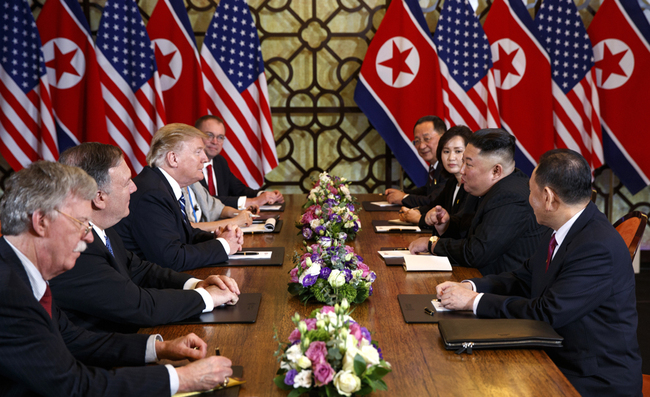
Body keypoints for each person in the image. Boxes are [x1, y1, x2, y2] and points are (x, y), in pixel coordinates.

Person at [0, 161, 233, 396]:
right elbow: (73, 386)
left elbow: (73, 339)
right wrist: (182, 378)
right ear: (41, 222)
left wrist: (159, 347)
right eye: (80, 223)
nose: (89, 237)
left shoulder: (19, 270)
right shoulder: (7, 293)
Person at [435, 149, 642, 396]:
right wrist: (472, 287)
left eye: (530, 191)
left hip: (592, 377)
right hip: (553, 351)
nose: (527, 198)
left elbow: (547, 313)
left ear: (548, 197)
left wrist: (473, 302)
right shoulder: (560, 227)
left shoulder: (597, 246)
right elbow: (522, 277)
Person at [50, 143, 240, 334]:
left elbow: (140, 269)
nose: (134, 187)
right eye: (126, 183)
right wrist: (206, 297)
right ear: (99, 197)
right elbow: (139, 306)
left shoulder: (103, 228)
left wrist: (195, 284)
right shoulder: (77, 245)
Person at [409, 128, 546, 275]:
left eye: (468, 164)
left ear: (496, 171)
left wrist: (432, 244)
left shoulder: (512, 197)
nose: (462, 170)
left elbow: (477, 252)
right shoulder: (481, 187)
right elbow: (465, 228)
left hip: (504, 290)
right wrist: (446, 224)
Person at [113, 123, 244, 271]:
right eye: (198, 152)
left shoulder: (161, 185)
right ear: (173, 159)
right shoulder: (151, 194)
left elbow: (185, 235)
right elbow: (172, 259)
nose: (205, 159)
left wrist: (217, 237)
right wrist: (224, 246)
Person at [195, 115, 283, 209]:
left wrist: (265, 195)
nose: (215, 141)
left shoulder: (220, 162)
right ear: (196, 136)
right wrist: (254, 201)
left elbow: (239, 190)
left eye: (220, 137)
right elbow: (207, 200)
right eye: (209, 135)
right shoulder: (191, 165)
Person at [398, 125, 477, 228]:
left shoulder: (473, 186)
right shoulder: (452, 182)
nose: (451, 157)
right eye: (446, 151)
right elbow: (434, 206)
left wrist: (419, 219)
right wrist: (413, 211)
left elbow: (460, 225)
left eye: (458, 151)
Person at [384, 115, 447, 207]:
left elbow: (436, 201)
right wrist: (401, 193)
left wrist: (403, 197)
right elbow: (427, 191)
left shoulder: (449, 166)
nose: (421, 146)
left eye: (427, 139)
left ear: (443, 138)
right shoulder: (435, 165)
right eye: (417, 141)